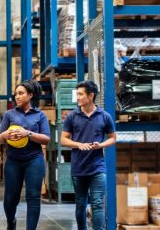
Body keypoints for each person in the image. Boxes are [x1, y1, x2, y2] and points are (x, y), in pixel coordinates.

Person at [60, 80, 116, 230]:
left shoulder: (104, 116)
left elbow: (113, 138)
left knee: (97, 203)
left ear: (90, 96)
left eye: (80, 94)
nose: (77, 97)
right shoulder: (72, 116)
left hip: (97, 167)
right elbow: (63, 140)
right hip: (78, 167)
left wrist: (101, 145)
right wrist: (78, 145)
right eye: (77, 94)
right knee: (80, 203)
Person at [0, 80, 50, 230]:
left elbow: (46, 139)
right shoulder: (9, 114)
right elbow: (0, 138)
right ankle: (11, 222)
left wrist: (27, 133)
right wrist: (6, 134)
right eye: (16, 94)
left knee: (33, 197)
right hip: (13, 160)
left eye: (21, 93)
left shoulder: (40, 116)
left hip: (34, 159)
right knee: (10, 198)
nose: (17, 97)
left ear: (31, 95)